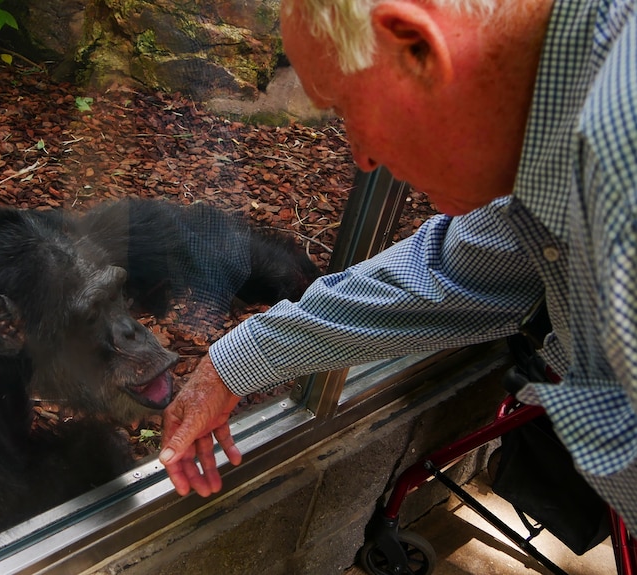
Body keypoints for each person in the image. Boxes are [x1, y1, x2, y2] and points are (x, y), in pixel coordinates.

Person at [158, 0, 637, 533]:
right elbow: (455, 270)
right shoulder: (559, 131)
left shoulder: (622, 168)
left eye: (346, 109)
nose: (360, 156)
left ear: (418, 47)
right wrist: (231, 366)